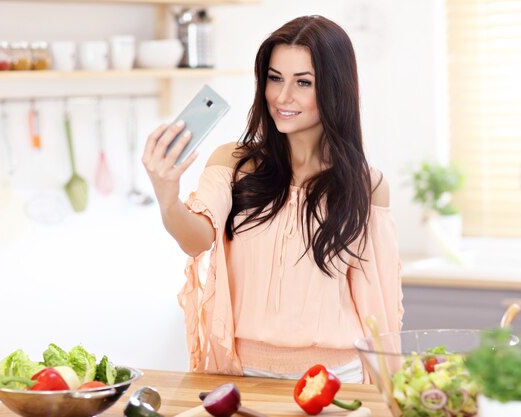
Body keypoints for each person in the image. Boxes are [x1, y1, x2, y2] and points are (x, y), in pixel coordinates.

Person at [143, 15, 403, 384]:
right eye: (275, 78)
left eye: (303, 83)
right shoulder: (234, 163)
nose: (282, 96)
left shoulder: (367, 185)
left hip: (335, 378)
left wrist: (390, 395)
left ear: (335, 89)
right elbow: (197, 239)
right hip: (241, 375)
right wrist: (167, 196)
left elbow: (377, 306)